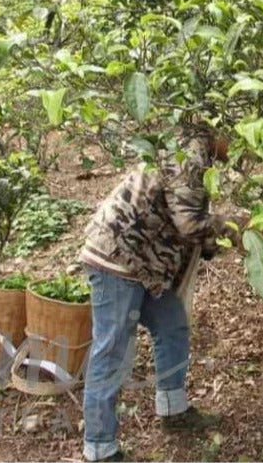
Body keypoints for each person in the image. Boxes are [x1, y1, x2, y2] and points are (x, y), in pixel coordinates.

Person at [79, 126, 230, 463]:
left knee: (172, 326)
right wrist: (230, 227)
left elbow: (186, 220)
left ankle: (173, 410)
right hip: (117, 258)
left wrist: (216, 241)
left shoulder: (199, 154)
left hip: (147, 264)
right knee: (112, 349)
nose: (240, 150)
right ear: (220, 129)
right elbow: (189, 223)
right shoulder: (190, 155)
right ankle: (100, 448)